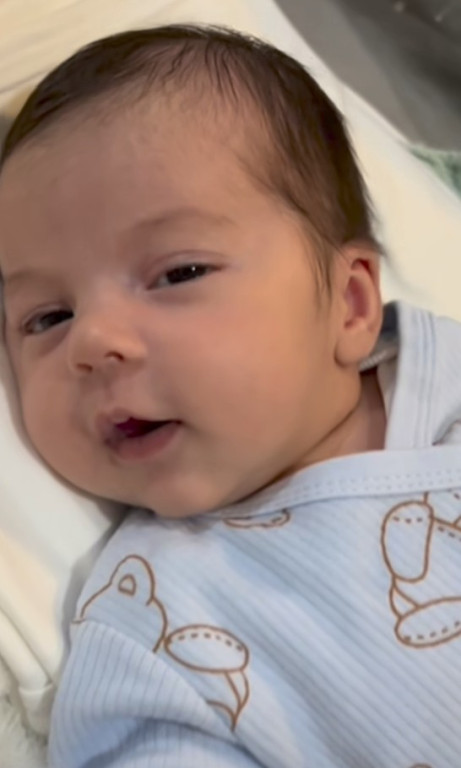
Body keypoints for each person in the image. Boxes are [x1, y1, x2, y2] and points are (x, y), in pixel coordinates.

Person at [0, 24, 460, 768]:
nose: (92, 341)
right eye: (47, 318)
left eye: (178, 274)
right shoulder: (153, 623)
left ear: (349, 306)